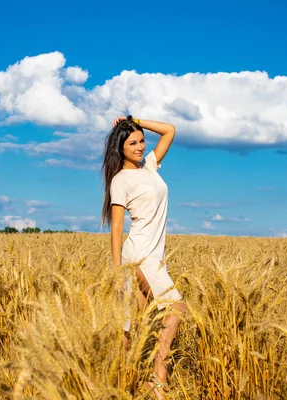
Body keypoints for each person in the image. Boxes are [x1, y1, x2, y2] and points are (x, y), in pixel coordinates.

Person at [101, 115, 186, 398]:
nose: (139, 147)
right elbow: (116, 227)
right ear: (120, 148)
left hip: (155, 253)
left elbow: (170, 130)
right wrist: (116, 269)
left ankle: (117, 381)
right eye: (132, 143)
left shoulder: (149, 166)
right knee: (176, 308)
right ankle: (157, 380)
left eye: (141, 141)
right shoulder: (120, 180)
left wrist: (134, 119)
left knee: (132, 326)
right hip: (139, 254)